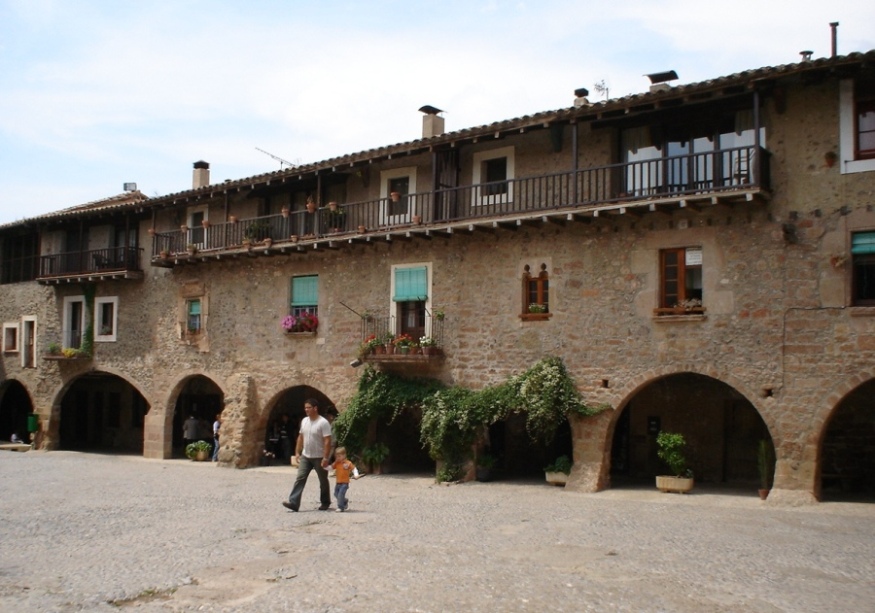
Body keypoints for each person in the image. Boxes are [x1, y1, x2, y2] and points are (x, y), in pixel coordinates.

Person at [283, 398, 332, 512]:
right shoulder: (304, 421)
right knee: (300, 477)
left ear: (315, 408)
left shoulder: (323, 423)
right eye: (305, 408)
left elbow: (327, 441)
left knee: (323, 480)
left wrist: (325, 457)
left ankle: (325, 502)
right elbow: (300, 437)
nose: (306, 410)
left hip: (319, 456)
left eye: (308, 407)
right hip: (306, 456)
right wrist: (297, 452)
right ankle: (294, 502)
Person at [331, 446, 357, 512]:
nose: (338, 458)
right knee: (336, 494)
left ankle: (340, 507)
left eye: (339, 456)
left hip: (345, 483)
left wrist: (356, 475)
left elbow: (354, 468)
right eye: (336, 456)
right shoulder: (337, 463)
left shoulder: (348, 463)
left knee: (340, 494)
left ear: (344, 455)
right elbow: (331, 467)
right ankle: (344, 501)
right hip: (338, 482)